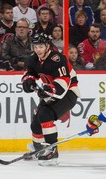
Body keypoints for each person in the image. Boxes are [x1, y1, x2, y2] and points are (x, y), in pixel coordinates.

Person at [21, 33, 80, 166]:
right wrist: (28, 81)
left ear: (47, 46)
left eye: (41, 46)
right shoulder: (33, 60)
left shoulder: (57, 59)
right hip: (50, 92)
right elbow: (29, 73)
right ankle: (39, 148)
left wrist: (49, 90)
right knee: (36, 122)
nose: (38, 50)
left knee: (45, 114)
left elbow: (63, 81)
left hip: (68, 93)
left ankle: (51, 151)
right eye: (35, 47)